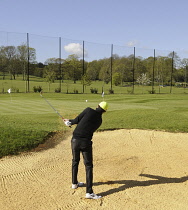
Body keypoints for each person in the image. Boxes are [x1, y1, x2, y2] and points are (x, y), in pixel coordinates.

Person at [64, 101, 108, 199]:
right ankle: (89, 192)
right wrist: (70, 122)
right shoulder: (99, 121)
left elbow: (76, 120)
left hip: (75, 140)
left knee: (75, 161)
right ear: (104, 111)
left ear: (97, 106)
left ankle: (74, 183)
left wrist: (69, 122)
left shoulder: (88, 110)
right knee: (88, 166)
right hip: (85, 143)